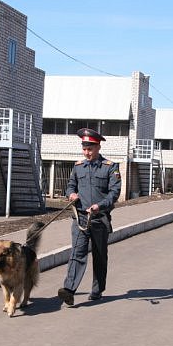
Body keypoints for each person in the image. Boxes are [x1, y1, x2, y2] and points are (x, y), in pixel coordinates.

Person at [58, 128, 122, 306]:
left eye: (90, 149)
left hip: (99, 219)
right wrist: (71, 195)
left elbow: (114, 193)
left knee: (100, 256)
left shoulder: (110, 167)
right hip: (80, 219)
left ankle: (97, 289)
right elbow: (70, 186)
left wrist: (99, 206)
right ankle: (69, 290)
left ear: (98, 147)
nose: (87, 152)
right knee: (77, 254)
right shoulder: (78, 166)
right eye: (84, 149)